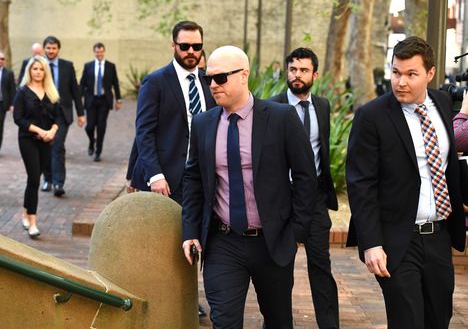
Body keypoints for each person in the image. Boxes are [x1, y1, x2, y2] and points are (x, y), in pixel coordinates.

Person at [181, 45, 317, 328]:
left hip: (272, 242)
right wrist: (191, 231)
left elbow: (306, 177)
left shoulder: (280, 118)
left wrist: (295, 232)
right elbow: (194, 179)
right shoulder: (204, 123)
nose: (212, 85)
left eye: (220, 78)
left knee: (279, 321)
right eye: (208, 78)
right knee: (225, 321)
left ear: (244, 75)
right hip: (222, 242)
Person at [345, 36, 465, 329]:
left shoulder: (442, 102)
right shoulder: (371, 116)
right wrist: (371, 242)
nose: (401, 82)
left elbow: (448, 164)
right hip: (397, 240)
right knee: (407, 321)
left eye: (411, 74)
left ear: (430, 74)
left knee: (439, 319)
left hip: (438, 236)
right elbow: (361, 184)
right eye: (396, 72)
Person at [270, 47, 339, 329]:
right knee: (279, 269)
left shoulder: (322, 106)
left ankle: (329, 325)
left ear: (315, 75)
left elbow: (322, 149)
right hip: (281, 200)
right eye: (293, 69)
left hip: (315, 200)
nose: (297, 76)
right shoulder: (271, 107)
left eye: (303, 70)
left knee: (321, 266)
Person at [128, 20, 215, 204]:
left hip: (200, 177)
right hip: (164, 181)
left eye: (196, 46)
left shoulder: (210, 82)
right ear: (173, 45)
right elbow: (144, 132)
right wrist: (155, 175)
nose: (191, 51)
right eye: (184, 46)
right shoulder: (155, 82)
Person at [13, 56, 61, 238]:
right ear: (30, 71)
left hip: (47, 140)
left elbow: (59, 116)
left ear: (45, 72)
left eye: (41, 69)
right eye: (35, 69)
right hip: (28, 139)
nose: (38, 72)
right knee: (34, 177)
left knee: (35, 178)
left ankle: (25, 211)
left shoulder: (51, 92)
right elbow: (18, 118)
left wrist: (53, 131)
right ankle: (32, 221)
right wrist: (40, 131)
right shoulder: (22, 92)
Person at [41, 36, 85, 197]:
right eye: (48, 48)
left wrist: (81, 113)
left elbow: (75, 90)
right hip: (43, 113)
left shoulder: (67, 66)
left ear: (58, 49)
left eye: (53, 48)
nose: (51, 51)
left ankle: (58, 182)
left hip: (62, 113)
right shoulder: (38, 65)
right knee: (46, 146)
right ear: (44, 48)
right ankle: (47, 179)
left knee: (57, 146)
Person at [80, 42, 121, 162]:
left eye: (101, 51)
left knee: (101, 126)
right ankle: (92, 141)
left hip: (104, 100)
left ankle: (98, 152)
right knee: (90, 126)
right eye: (97, 52)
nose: (99, 54)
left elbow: (115, 84)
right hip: (91, 99)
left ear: (104, 52)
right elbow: (82, 83)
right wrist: (79, 98)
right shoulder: (88, 66)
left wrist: (118, 100)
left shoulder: (110, 66)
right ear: (94, 52)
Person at [0, 51, 16, 152]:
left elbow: (12, 89)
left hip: (2, 103)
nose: (0, 61)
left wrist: (12, 104)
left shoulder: (9, 73)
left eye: (2, 59)